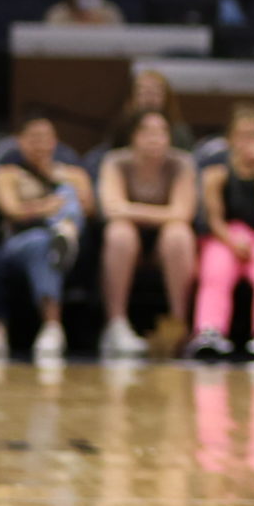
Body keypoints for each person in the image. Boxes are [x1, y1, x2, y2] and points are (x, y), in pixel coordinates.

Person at [191, 106, 254, 361]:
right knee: (216, 265)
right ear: (231, 139)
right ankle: (210, 330)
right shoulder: (216, 173)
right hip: (226, 238)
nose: (250, 142)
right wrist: (231, 239)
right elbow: (213, 219)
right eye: (244, 135)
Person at [0, 112, 93, 362]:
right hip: (19, 243)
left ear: (55, 142)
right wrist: (45, 207)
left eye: (45, 137)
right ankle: (52, 324)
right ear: (19, 142)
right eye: (33, 138)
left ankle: (65, 232)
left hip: (68, 243)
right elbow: (11, 210)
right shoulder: (7, 173)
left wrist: (64, 200)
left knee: (68, 195)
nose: (40, 144)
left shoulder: (74, 174)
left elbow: (90, 208)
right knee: (43, 242)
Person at [96, 110, 197, 358]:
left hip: (164, 244)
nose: (155, 139)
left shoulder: (182, 163)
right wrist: (164, 212)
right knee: (119, 233)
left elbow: (183, 213)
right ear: (133, 137)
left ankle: (179, 323)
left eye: (162, 132)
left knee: (179, 234)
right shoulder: (115, 162)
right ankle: (116, 325)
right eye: (148, 132)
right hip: (130, 243)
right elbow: (110, 209)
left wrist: (131, 209)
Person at [107, 68, 193, 151]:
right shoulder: (121, 128)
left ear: (167, 97)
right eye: (143, 92)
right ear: (132, 97)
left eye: (155, 92)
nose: (149, 98)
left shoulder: (179, 132)